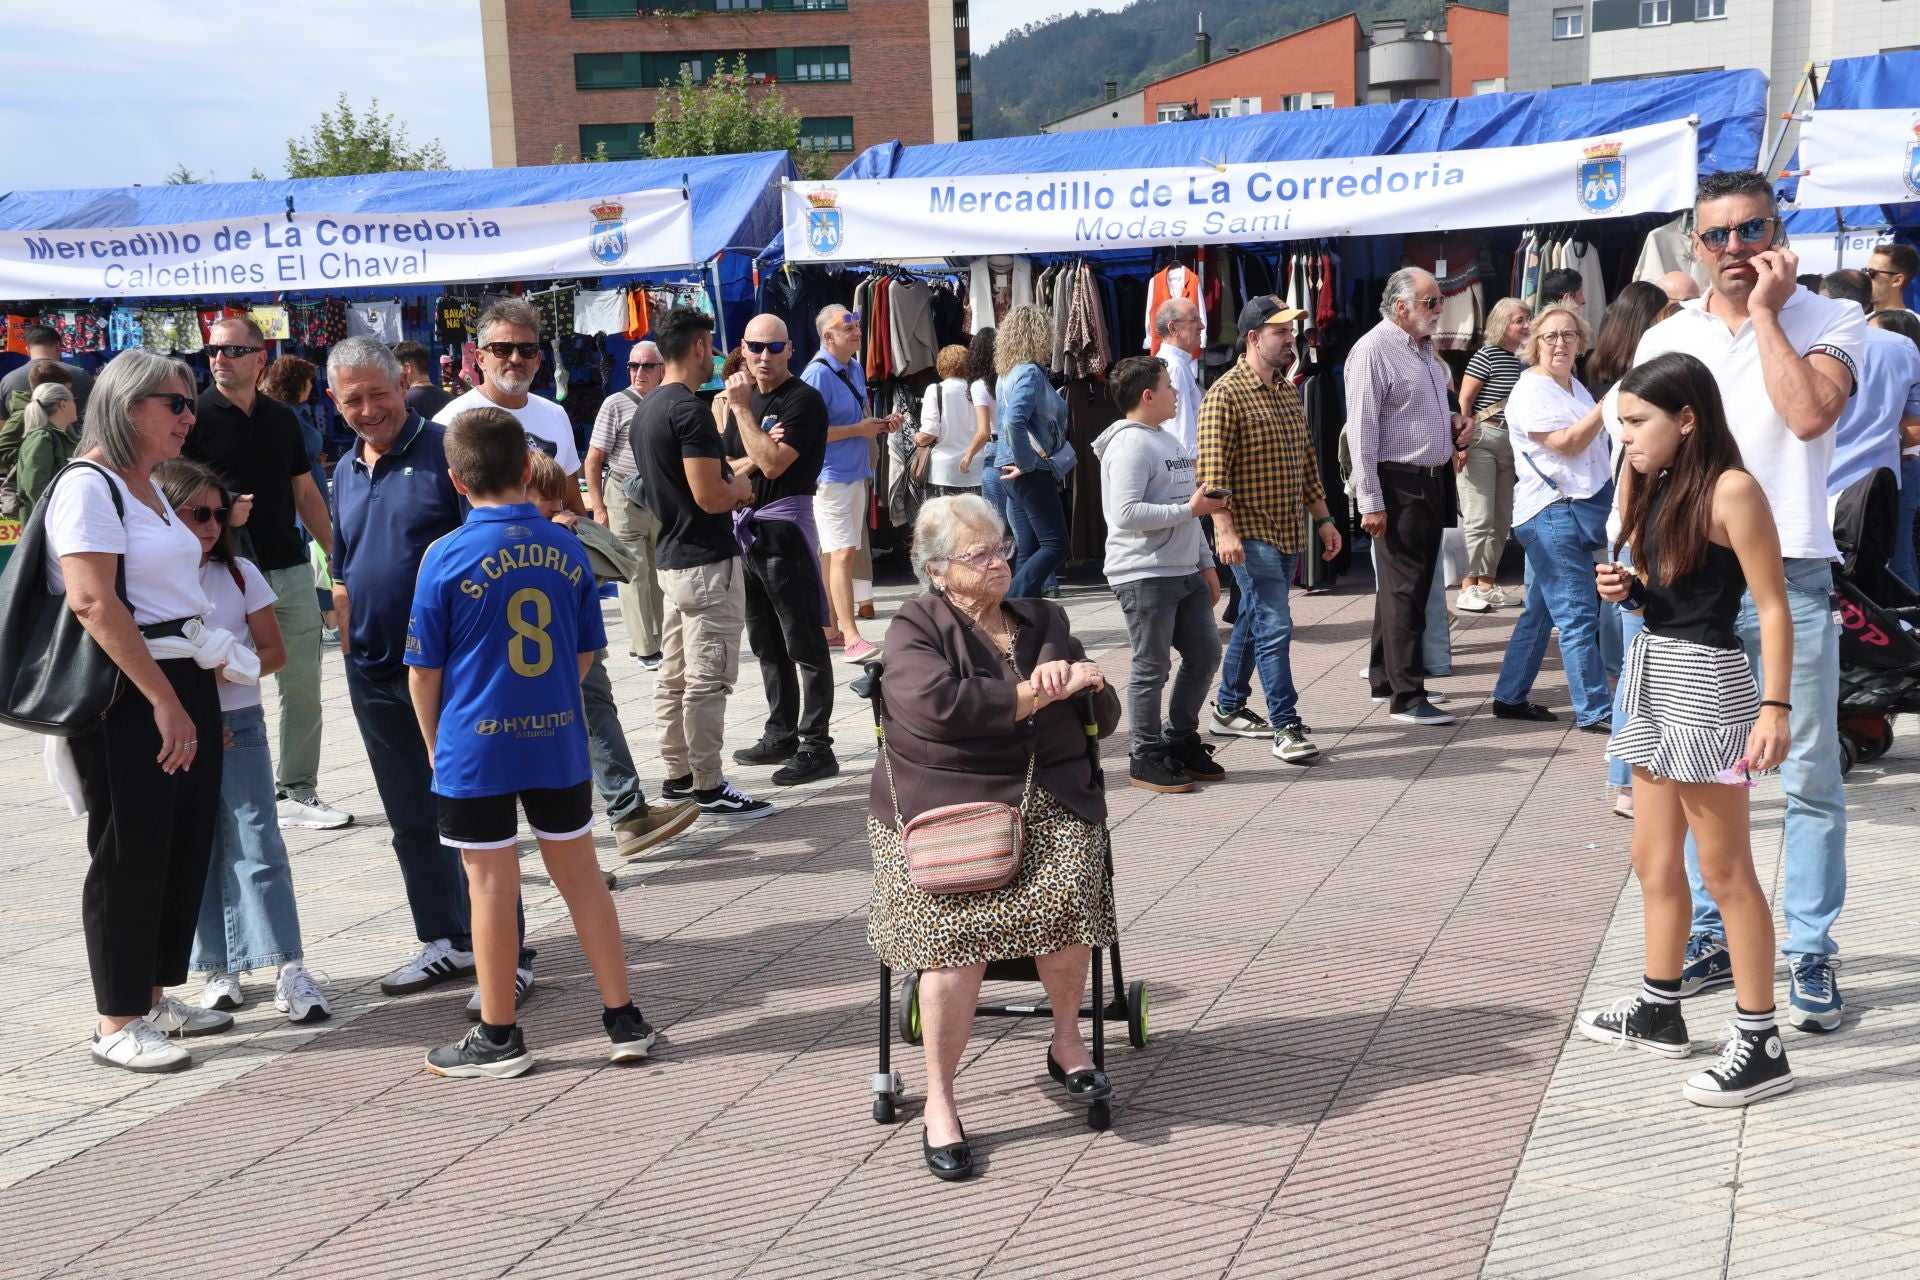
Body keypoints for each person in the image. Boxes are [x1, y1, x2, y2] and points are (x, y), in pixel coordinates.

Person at [1631, 168, 1867, 1033]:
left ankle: (1808, 951)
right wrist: (1627, 552)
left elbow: (1808, 418)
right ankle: (1710, 934)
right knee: (1691, 771)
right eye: (1718, 236)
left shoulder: (1832, 319)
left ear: (1779, 230)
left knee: (1806, 774)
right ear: (1695, 244)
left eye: (1753, 230)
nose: (1736, 249)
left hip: (1788, 573)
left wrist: (1768, 316)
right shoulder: (1670, 335)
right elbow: (1640, 453)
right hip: (1686, 582)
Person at [869, 494, 1121, 1181]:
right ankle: (941, 1101)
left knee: (1070, 892)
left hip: (1051, 797)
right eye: (978, 555)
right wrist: (1036, 696)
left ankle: (1066, 1043)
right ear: (936, 570)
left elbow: (1104, 715)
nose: (999, 562)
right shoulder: (914, 626)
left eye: (1001, 548)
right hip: (948, 808)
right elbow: (938, 708)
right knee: (955, 932)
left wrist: (1086, 680)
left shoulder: (1046, 618)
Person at [408, 407, 656, 1077]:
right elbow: (582, 657)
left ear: (457, 482)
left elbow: (423, 671)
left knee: (489, 885)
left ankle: (498, 1036)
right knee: (580, 877)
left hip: (475, 743)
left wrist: (436, 742)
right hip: (555, 738)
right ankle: (623, 1018)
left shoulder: (445, 555)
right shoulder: (567, 546)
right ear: (527, 469)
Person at [1579, 352, 1796, 1108]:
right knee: (1651, 855)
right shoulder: (1664, 482)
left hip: (1708, 685)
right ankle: (1659, 1005)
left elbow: (1771, 604)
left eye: (1637, 423)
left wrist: (1776, 707)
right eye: (1622, 425)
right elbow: (1678, 598)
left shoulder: (1732, 489)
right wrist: (1633, 592)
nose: (1626, 438)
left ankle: (1760, 1039)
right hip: (1655, 672)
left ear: (1687, 418)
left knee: (1727, 868)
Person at [325, 336, 538, 1007]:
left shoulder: (448, 451)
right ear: (335, 402)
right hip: (374, 673)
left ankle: (513, 956)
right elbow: (344, 564)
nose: (367, 409)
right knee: (411, 817)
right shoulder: (343, 471)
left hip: (452, 674)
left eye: (377, 393)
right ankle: (444, 940)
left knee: (477, 817)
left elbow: (489, 543)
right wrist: (346, 630)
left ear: (401, 385)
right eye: (352, 399)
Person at [44, 350, 233, 1073]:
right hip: (131, 687)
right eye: (175, 403)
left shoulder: (150, 484)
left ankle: (151, 995)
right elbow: (93, 600)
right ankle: (116, 1017)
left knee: (180, 841)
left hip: (182, 674)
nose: (190, 415)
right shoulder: (88, 486)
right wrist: (161, 698)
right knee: (129, 848)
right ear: (128, 406)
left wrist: (190, 692)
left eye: (190, 403)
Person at [151, 458, 330, 1024]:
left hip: (237, 725)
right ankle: (217, 967)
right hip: (176, 731)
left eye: (217, 513)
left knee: (259, 842)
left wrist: (234, 663)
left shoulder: (239, 574)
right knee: (195, 849)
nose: (209, 524)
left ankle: (287, 965)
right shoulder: (152, 578)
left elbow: (275, 652)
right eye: (196, 513)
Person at [185, 316, 347, 831]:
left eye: (231, 351)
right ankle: (212, 780)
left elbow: (306, 493)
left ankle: (297, 789)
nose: (218, 359)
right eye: (213, 350)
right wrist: (219, 511)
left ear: (261, 357)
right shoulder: (193, 418)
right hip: (219, 572)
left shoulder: (282, 418)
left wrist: (336, 560)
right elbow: (170, 497)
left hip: (287, 566)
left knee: (302, 683)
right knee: (218, 679)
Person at [632, 306, 772, 819]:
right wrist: (740, 488)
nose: (715, 355)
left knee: (675, 673)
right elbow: (710, 495)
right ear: (697, 346)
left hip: (673, 557)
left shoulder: (647, 408)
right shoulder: (688, 409)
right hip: (705, 561)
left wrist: (737, 470)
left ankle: (679, 775)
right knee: (707, 678)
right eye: (712, 345)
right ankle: (708, 785)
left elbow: (677, 483)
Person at [526, 450, 701, 857]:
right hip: (561, 651)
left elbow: (621, 564)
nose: (556, 507)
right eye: (544, 497)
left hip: (572, 645)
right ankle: (621, 816)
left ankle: (622, 816)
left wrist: (575, 525)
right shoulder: (537, 538)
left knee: (591, 721)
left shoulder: (556, 531)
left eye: (559, 498)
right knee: (586, 725)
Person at [1198, 298, 1343, 762]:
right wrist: (1224, 530)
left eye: (1292, 331)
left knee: (1255, 617)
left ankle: (1227, 706)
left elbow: (1305, 463)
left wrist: (1323, 518)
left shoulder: (1285, 390)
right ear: (1254, 338)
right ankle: (1286, 724)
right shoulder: (1224, 394)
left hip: (1287, 530)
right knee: (1275, 624)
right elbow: (1212, 474)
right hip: (1250, 530)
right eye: (1280, 331)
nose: (1291, 340)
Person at [1095, 355, 1226, 792]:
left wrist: (1205, 563)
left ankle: (1180, 737)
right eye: (1169, 386)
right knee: (1151, 667)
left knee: (1206, 654)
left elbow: (1192, 510)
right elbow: (1126, 513)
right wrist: (1189, 510)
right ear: (1147, 396)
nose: (1176, 393)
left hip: (1183, 568)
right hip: (1143, 572)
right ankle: (1145, 753)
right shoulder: (1129, 445)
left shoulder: (1166, 440)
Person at [719, 313, 839, 787]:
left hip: (785, 529)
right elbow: (727, 464)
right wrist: (755, 444)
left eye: (774, 347)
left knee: (803, 641)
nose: (764, 356)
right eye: (755, 347)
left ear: (792, 349)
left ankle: (817, 744)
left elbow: (770, 467)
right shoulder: (738, 400)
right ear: (743, 349)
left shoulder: (802, 401)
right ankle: (781, 730)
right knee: (766, 642)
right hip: (746, 532)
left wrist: (745, 417)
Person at [1349, 268, 1470, 727]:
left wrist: (1455, 426)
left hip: (1432, 480)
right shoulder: (1373, 350)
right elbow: (1363, 431)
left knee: (1409, 586)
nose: (1440, 310)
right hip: (1399, 482)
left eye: (1439, 301)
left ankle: (1387, 677)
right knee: (1406, 589)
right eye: (1431, 302)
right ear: (1401, 306)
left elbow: (1421, 411)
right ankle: (1408, 695)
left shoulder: (1423, 349)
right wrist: (1371, 501)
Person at [1490, 304, 1615, 730]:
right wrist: (1605, 408)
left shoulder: (1573, 388)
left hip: (1570, 509)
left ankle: (1509, 696)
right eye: (1550, 337)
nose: (1559, 343)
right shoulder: (1531, 391)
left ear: (1580, 342)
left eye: (1567, 335)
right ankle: (1596, 710)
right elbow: (1566, 444)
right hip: (1550, 512)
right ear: (1534, 345)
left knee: (1541, 612)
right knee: (1579, 614)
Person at [1591, 281, 1688, 817]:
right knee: (1639, 665)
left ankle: (1632, 780)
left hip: (1637, 538)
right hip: (1639, 540)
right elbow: (1631, 468)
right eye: (1676, 309)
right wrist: (1633, 545)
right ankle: (1627, 781)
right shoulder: (1641, 391)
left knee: (1638, 665)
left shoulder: (1629, 390)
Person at [801, 304, 893, 664]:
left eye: (856, 323)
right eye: (848, 326)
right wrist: (858, 430)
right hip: (832, 477)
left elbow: (858, 419)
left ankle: (830, 629)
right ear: (828, 336)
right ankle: (852, 637)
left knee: (835, 553)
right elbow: (808, 435)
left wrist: (880, 424)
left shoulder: (853, 366)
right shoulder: (817, 375)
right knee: (842, 554)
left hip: (853, 472)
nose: (857, 330)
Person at [435, 298, 586, 517]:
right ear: (480, 359)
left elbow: (571, 500)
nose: (516, 358)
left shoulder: (555, 414)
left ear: (538, 360)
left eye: (527, 349)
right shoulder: (449, 422)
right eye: (502, 349)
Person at [585, 339, 666, 667]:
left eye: (647, 365)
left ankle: (660, 639)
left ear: (662, 369)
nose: (639, 372)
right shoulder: (615, 404)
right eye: (633, 365)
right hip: (623, 496)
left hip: (659, 497)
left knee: (661, 573)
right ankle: (645, 647)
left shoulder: (667, 400)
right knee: (633, 572)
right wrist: (599, 508)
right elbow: (593, 459)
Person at [1454, 298, 1529, 612]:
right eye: (1519, 320)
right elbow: (1464, 401)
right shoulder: (1486, 355)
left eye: (1527, 319)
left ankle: (1487, 583)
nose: (1526, 325)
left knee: (1501, 520)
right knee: (1480, 517)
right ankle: (1467, 586)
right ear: (1502, 324)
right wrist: (1461, 445)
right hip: (1483, 437)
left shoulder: (1523, 360)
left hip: (1510, 441)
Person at [994, 304, 1073, 600]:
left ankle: (1021, 614)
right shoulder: (1029, 372)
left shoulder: (1007, 374)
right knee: (1056, 545)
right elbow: (1013, 420)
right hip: (1028, 469)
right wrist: (1027, 464)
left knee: (1030, 546)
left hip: (1010, 468)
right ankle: (1008, 608)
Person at [1819, 270, 1920, 497]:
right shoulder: (1902, 346)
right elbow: (1916, 412)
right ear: (1866, 304)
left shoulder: (1804, 343)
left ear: (1822, 300)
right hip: (1877, 488)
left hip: (1817, 483)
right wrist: (1883, 413)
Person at [1874, 307, 1920, 589]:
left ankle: (1911, 627)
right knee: (1903, 558)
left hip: (1904, 469)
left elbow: (1914, 433)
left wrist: (1885, 424)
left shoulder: (1908, 373)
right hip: (1899, 469)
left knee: (1898, 559)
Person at [916, 344, 988, 497]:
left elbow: (929, 433)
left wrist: (916, 438)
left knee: (946, 519)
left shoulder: (935, 389)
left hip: (944, 471)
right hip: (977, 469)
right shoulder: (978, 390)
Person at [1, 359, 75, 498]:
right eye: (67, 389)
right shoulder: (22, 417)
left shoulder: (60, 420)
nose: (70, 395)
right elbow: (2, 454)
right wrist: (31, 456)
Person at [15, 381, 79, 523]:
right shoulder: (42, 439)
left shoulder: (62, 436)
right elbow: (35, 487)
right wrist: (63, 511)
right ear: (62, 404)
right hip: (49, 525)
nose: (75, 405)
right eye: (73, 400)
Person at [0, 323, 94, 419]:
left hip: (25, 433)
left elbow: (2, 425)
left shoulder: (8, 381)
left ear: (27, 350)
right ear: (58, 346)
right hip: (74, 433)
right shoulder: (81, 375)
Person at [1154, 298, 1205, 458]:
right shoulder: (1175, 367)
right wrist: (1193, 477)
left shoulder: (1176, 363)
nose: (1202, 326)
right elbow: (1181, 430)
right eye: (1194, 320)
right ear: (1173, 328)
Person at [393, 340, 452, 420]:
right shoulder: (449, 398)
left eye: (396, 368)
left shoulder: (403, 400)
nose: (395, 373)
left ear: (407, 368)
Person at [1866, 243, 1917, 315]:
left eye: (1872, 273)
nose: (1865, 277)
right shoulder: (1856, 322)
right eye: (1864, 271)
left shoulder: (1916, 324)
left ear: (1897, 280)